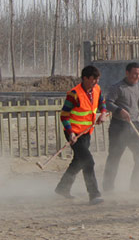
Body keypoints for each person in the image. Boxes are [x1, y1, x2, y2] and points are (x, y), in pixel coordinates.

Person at [55, 65, 107, 205]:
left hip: (86, 132)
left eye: (97, 79)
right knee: (88, 161)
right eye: (93, 79)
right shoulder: (74, 94)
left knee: (78, 161)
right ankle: (94, 194)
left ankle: (62, 188)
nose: (95, 82)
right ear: (84, 78)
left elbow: (102, 103)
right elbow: (64, 116)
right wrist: (70, 133)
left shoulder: (97, 89)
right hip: (74, 133)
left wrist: (103, 114)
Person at [102, 62, 139, 192]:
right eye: (135, 74)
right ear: (127, 73)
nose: (137, 76)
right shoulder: (117, 87)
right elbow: (108, 103)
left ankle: (136, 187)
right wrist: (119, 110)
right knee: (114, 157)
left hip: (135, 126)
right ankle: (108, 188)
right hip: (118, 127)